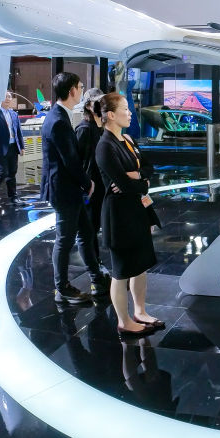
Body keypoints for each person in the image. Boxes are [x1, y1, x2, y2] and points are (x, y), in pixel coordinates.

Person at [95, 92, 162, 338]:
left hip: (137, 211)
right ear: (111, 115)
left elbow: (149, 168)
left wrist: (138, 176)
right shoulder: (104, 146)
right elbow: (123, 184)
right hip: (119, 216)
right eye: (125, 108)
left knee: (140, 265)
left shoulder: (127, 139)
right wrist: (141, 182)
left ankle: (140, 311)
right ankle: (124, 321)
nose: (130, 113)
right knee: (121, 271)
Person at [41, 73, 107, 305]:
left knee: (86, 234)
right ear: (71, 91)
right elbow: (70, 160)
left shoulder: (59, 116)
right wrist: (88, 183)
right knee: (65, 239)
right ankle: (62, 288)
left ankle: (96, 277)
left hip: (69, 189)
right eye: (80, 87)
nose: (81, 90)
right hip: (63, 190)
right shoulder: (58, 120)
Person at [76, 87, 107, 274]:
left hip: (102, 186)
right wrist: (86, 185)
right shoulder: (85, 129)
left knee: (96, 225)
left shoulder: (100, 128)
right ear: (89, 106)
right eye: (98, 102)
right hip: (90, 187)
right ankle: (94, 266)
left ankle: (97, 263)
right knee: (89, 228)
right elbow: (77, 161)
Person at [0, 91, 24, 203]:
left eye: (9, 97)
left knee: (12, 172)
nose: (7, 99)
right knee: (2, 172)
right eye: (5, 97)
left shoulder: (14, 114)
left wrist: (21, 146)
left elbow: (18, 131)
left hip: (13, 147)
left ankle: (13, 196)